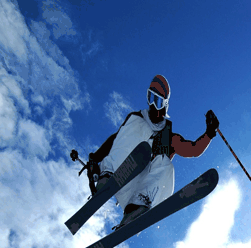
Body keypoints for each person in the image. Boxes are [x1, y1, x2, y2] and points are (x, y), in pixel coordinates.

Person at [87, 74, 219, 229]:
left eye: (157, 102)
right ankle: (107, 176)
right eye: (150, 98)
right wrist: (95, 160)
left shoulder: (168, 137)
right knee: (136, 123)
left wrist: (209, 133)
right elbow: (115, 141)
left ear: (165, 105)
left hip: (138, 191)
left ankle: (136, 210)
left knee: (165, 164)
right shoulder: (136, 119)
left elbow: (193, 149)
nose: (153, 106)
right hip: (118, 176)